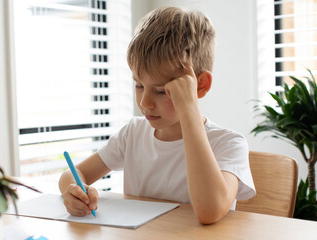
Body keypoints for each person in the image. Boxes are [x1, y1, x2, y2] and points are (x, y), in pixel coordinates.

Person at [59, 6, 255, 224]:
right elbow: (74, 173)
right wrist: (73, 190)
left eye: (162, 91)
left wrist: (188, 109)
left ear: (199, 85)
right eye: (139, 85)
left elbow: (209, 211)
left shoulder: (228, 144)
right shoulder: (132, 134)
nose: (145, 103)